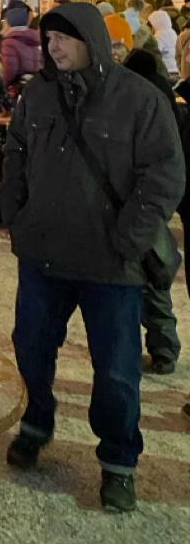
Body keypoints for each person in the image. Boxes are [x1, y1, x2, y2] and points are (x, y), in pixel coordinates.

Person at [0, 2, 184, 513]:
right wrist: (15, 210)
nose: (53, 48)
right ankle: (36, 423)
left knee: (118, 371)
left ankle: (119, 462)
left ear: (91, 41)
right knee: (31, 350)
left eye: (64, 38)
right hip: (44, 255)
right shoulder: (37, 96)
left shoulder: (138, 99)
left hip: (111, 264)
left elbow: (165, 174)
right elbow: (16, 152)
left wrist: (130, 236)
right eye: (49, 39)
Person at [124, 48, 183, 375]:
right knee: (156, 279)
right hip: (153, 208)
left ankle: (145, 347)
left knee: (140, 280)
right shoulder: (165, 97)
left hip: (134, 204)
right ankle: (164, 348)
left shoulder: (132, 101)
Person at [0, 0, 42, 89]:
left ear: (10, 19)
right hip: (34, 86)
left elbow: (9, 71)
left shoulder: (9, 42)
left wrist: (1, 85)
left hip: (18, 89)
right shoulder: (34, 38)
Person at [148, 8, 178, 77]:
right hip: (175, 67)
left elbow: (156, 51)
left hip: (166, 68)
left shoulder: (159, 35)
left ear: (156, 23)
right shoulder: (172, 32)